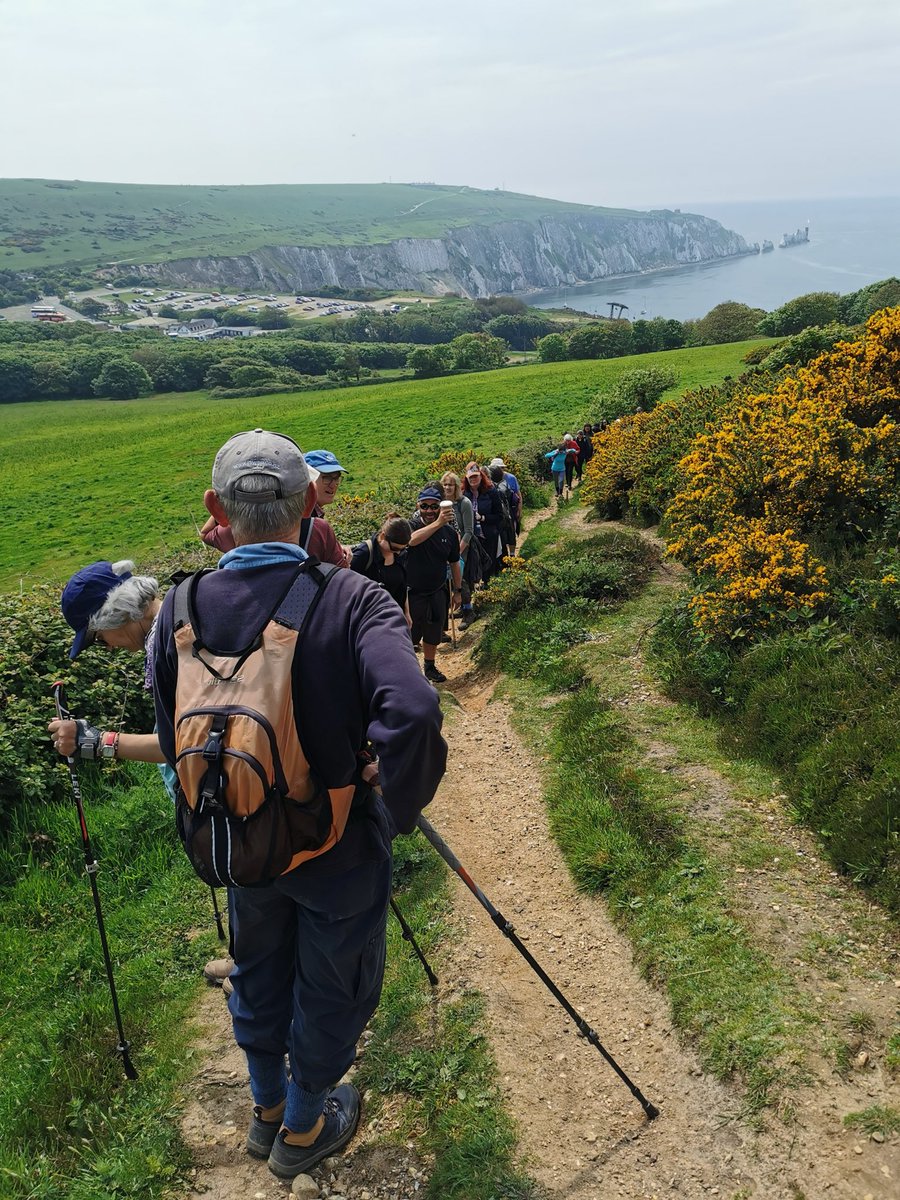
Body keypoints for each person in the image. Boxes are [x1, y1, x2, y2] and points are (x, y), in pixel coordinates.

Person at [153, 429, 447, 1180]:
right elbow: (411, 710)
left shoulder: (177, 606)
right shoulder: (351, 598)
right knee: (333, 978)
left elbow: (169, 732)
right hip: (334, 840)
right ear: (312, 500)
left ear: (216, 509)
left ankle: (266, 1111)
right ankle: (309, 1123)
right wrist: (397, 796)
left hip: (242, 843)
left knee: (257, 969)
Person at [47, 560, 235, 993]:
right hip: (242, 775)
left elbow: (176, 746)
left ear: (118, 615)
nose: (107, 648)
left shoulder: (165, 643)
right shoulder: (187, 611)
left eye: (98, 638)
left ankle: (256, 979)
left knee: (244, 864)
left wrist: (97, 741)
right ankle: (248, 956)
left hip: (224, 789)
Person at [406, 485, 462, 684]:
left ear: (440, 506)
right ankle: (408, 673)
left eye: (434, 506)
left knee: (433, 632)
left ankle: (429, 666)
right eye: (425, 506)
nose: (429, 510)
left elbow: (455, 562)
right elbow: (411, 541)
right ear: (418, 506)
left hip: (438, 589)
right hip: (411, 593)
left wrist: (458, 590)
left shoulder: (449, 533)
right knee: (409, 635)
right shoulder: (411, 526)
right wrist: (438, 523)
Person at [349, 515, 412, 618]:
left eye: (403, 548)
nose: (398, 552)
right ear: (383, 536)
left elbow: (402, 586)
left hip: (395, 615)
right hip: (369, 617)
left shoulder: (400, 554)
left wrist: (407, 612)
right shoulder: (363, 554)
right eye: (395, 548)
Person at [440, 472, 476, 629]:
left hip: (462, 546)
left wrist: (457, 552)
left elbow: (468, 531)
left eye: (451, 484)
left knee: (460, 579)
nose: (448, 487)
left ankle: (468, 612)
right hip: (443, 548)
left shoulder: (464, 503)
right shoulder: (439, 504)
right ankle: (457, 609)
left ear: (456, 486)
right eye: (445, 484)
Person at [462, 462, 504, 582]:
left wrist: (483, 518)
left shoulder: (491, 492)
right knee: (473, 564)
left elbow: (499, 516)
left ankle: (488, 589)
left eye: (476, 476)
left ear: (481, 476)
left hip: (488, 534)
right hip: (471, 537)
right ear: (466, 478)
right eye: (471, 477)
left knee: (488, 564)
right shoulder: (464, 494)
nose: (473, 479)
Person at [488, 465, 517, 559]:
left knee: (503, 539)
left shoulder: (495, 489)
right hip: (509, 513)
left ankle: (505, 561)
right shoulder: (505, 483)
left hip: (501, 517)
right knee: (511, 535)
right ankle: (512, 556)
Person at [488, 457, 522, 532]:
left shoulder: (511, 478)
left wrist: (519, 510)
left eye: (501, 468)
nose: (499, 471)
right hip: (496, 512)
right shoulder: (488, 480)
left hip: (510, 509)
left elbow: (518, 494)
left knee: (511, 533)